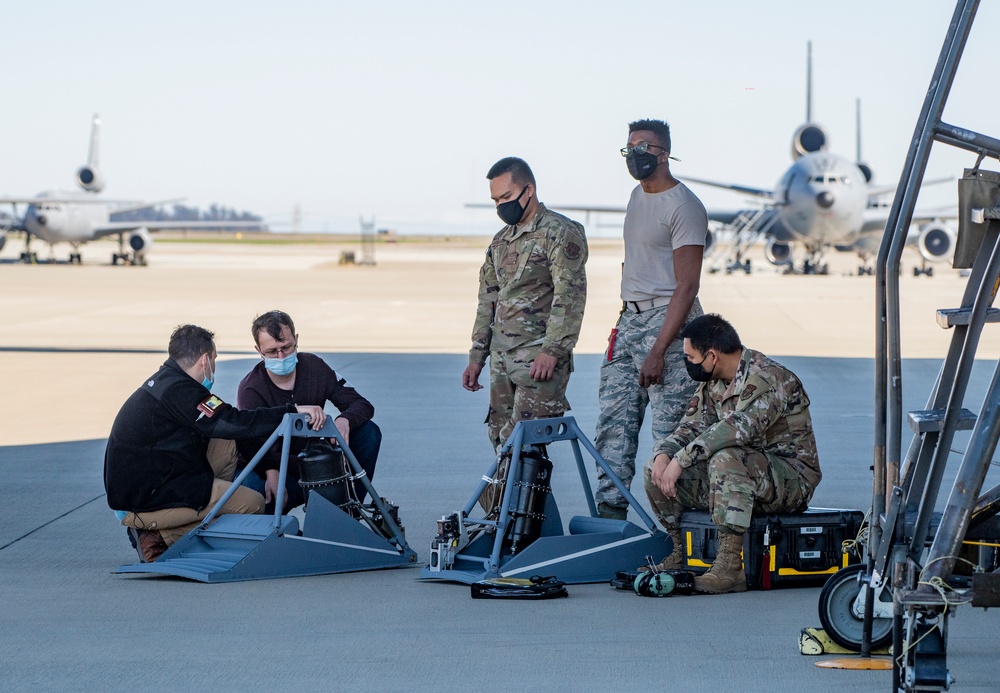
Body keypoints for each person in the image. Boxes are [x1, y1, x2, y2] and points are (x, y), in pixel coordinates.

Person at [104, 324, 326, 563]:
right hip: (145, 498)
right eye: (215, 359)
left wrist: (270, 470)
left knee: (226, 438)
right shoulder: (180, 392)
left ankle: (212, 505)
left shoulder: (171, 381)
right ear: (205, 360)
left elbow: (229, 424)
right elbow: (233, 420)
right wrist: (290, 411)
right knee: (253, 504)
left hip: (154, 478)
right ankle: (157, 534)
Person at [643, 313, 821, 594]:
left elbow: (738, 430)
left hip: (790, 481)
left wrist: (682, 459)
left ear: (712, 356)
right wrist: (665, 455)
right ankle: (681, 550)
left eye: (690, 357)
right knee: (654, 468)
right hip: (744, 478)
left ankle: (730, 567)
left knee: (726, 458)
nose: (688, 363)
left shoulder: (768, 379)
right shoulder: (715, 382)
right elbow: (691, 427)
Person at [594, 118, 709, 521]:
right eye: (629, 147)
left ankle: (677, 533)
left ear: (664, 153)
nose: (635, 155)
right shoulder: (635, 197)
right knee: (613, 423)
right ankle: (608, 520)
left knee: (669, 435)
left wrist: (659, 349)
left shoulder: (685, 207)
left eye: (644, 147)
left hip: (670, 325)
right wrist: (625, 323)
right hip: (630, 322)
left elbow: (687, 286)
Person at [462, 157, 588, 508]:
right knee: (500, 442)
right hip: (502, 362)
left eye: (507, 197)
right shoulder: (501, 241)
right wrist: (476, 357)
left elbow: (570, 296)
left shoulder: (560, 232)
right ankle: (500, 525)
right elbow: (488, 300)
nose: (502, 206)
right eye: (496, 201)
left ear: (528, 190)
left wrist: (554, 350)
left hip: (538, 361)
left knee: (523, 446)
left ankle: (513, 528)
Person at [236, 310, 381, 513]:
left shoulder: (314, 366)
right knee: (255, 490)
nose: (281, 356)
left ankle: (347, 511)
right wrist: (271, 472)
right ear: (258, 350)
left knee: (369, 432)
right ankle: (273, 533)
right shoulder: (251, 389)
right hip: (278, 468)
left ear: (296, 340)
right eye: (272, 351)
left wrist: (345, 420)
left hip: (316, 464)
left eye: (286, 347)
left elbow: (361, 404)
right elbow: (249, 443)